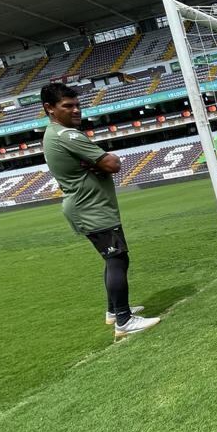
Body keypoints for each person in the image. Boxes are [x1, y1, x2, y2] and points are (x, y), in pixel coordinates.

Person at [41, 83, 160, 339]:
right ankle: (124, 321)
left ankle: (114, 311)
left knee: (112, 258)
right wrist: (104, 160)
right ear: (49, 108)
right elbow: (112, 164)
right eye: (67, 106)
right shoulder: (67, 136)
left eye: (77, 105)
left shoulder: (55, 134)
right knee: (117, 258)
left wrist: (98, 162)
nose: (76, 110)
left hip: (89, 205)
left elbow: (103, 164)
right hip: (90, 207)